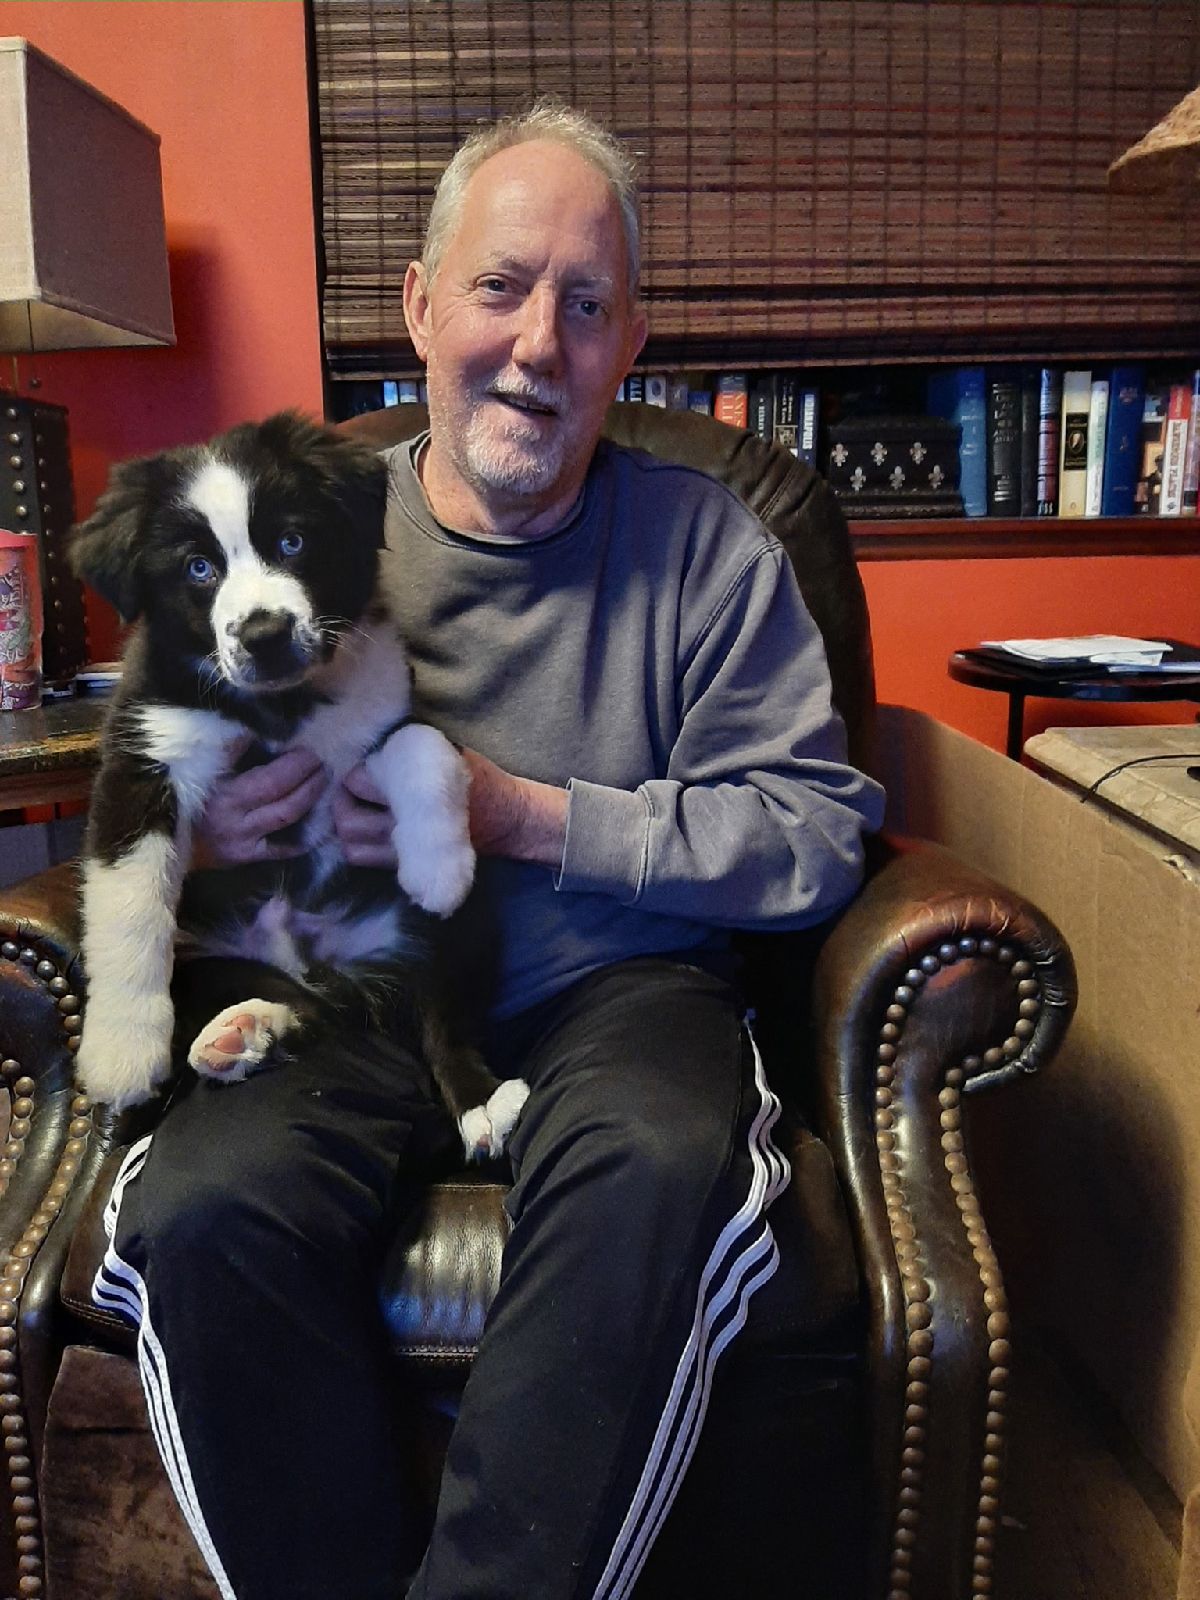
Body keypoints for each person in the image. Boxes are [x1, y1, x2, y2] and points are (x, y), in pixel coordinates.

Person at [94, 100, 886, 1600]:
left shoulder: (716, 549)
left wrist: (528, 814)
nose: (537, 345)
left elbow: (815, 836)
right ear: (420, 306)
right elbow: (153, 777)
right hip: (345, 991)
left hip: (623, 993)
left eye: (585, 305)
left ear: (632, 339)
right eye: (501, 287)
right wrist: (197, 850)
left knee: (661, 1169)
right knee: (199, 1215)